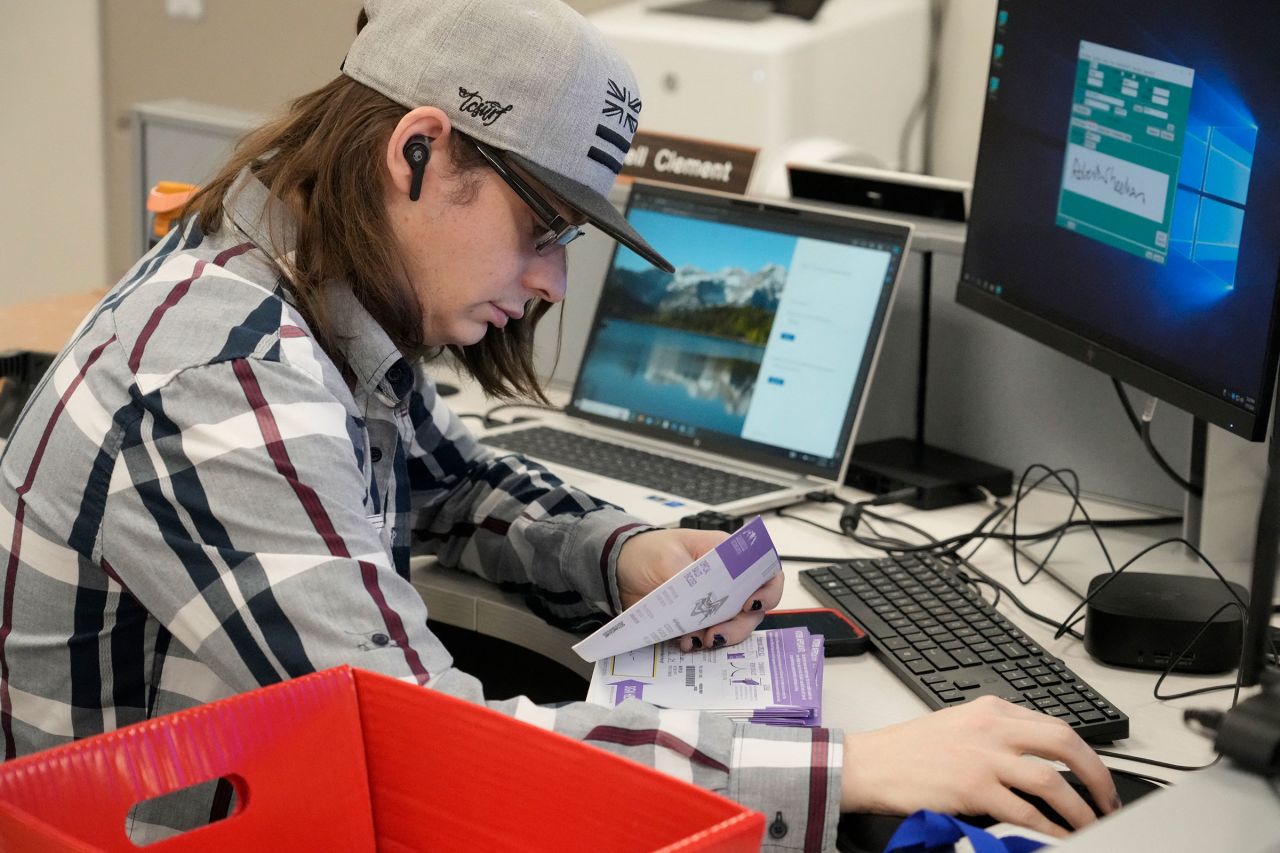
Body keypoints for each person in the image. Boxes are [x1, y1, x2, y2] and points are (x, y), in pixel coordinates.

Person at [0, 0, 1120, 847]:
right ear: (417, 152)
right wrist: (847, 768)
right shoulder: (226, 374)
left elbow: (444, 481)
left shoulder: (291, 288)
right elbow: (425, 748)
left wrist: (620, 554)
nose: (547, 285)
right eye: (541, 229)